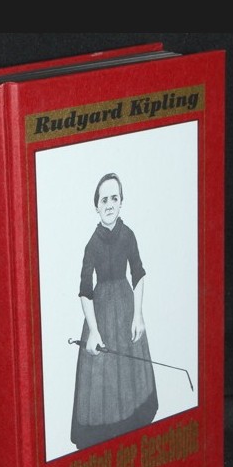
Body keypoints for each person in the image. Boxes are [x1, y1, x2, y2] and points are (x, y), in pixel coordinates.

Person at [71, 173, 158, 450]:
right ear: (96, 205)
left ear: (121, 202)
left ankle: (133, 430)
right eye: (104, 200)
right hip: (100, 313)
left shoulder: (128, 235)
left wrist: (138, 315)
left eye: (114, 198)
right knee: (102, 370)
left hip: (126, 308)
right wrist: (94, 331)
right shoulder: (91, 244)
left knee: (131, 372)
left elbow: (139, 274)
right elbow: (85, 290)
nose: (109, 204)